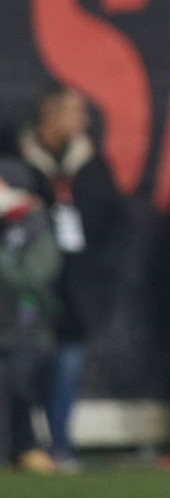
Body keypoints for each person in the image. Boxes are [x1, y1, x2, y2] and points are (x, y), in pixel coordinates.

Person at [17, 82, 125, 470]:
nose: (84, 121)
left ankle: (59, 444)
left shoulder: (92, 163)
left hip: (79, 289)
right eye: (75, 112)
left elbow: (115, 220)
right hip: (29, 288)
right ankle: (25, 444)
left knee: (67, 370)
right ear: (51, 114)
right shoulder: (19, 161)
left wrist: (100, 271)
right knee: (24, 369)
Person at [0, 158, 60, 473]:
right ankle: (23, 448)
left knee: (15, 383)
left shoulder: (35, 226)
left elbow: (35, 278)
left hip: (27, 327)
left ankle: (27, 446)